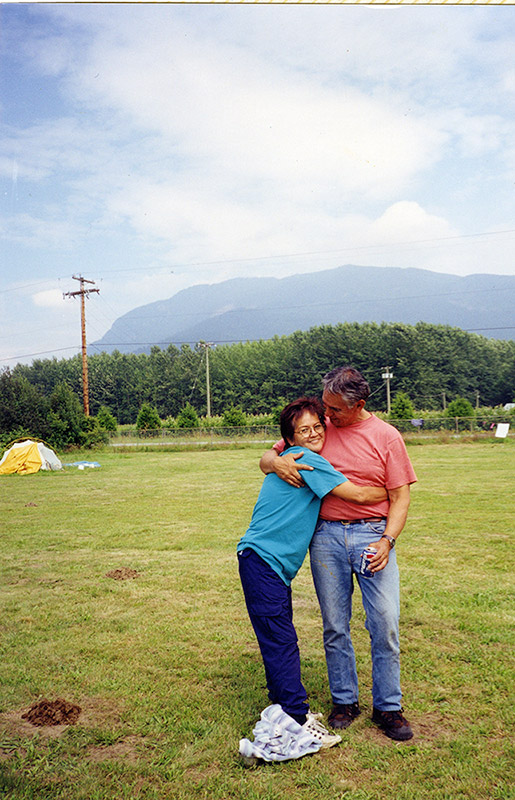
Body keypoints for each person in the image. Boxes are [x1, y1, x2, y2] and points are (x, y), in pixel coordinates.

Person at [260, 367, 417, 741]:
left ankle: (388, 708)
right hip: (326, 537)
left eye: (334, 410)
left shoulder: (387, 437)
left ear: (358, 404)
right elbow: (270, 454)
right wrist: (275, 462)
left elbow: (401, 496)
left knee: (385, 622)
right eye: (325, 407)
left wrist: (387, 540)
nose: (326, 416)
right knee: (335, 624)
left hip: (372, 535)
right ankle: (344, 701)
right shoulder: (320, 431)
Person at [238, 396, 388, 754]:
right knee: (283, 642)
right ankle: (296, 719)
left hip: (262, 562)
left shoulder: (293, 457)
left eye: (317, 427)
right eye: (303, 430)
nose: (313, 433)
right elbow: (356, 493)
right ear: (289, 439)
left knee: (277, 638)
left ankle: (282, 708)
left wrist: (271, 461)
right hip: (264, 561)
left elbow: (266, 460)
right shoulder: (308, 461)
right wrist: (394, 489)